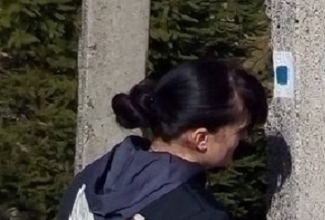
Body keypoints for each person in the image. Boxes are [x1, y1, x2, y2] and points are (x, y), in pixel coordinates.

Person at [57, 59, 267, 220]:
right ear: (201, 138)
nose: (244, 138)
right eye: (240, 130)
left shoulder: (92, 180)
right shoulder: (198, 214)